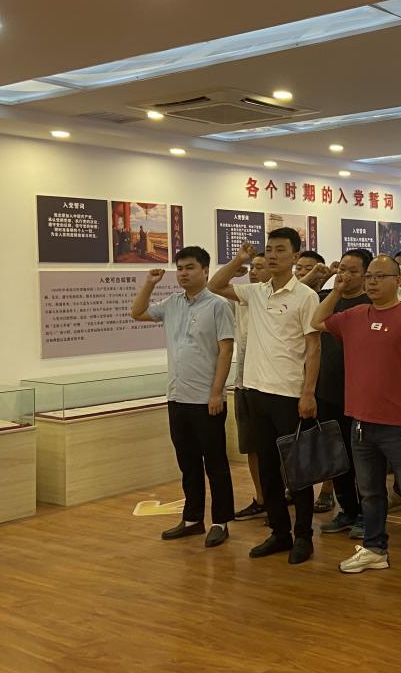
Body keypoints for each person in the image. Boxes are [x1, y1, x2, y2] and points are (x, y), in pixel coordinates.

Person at [314, 256, 401, 586]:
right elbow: (317, 320)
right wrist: (336, 290)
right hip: (360, 423)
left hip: (399, 424)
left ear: (397, 280)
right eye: (369, 276)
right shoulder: (354, 316)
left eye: (380, 276)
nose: (372, 282)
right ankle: (374, 548)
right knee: (369, 492)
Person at [208, 228, 321, 564]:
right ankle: (279, 532)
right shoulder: (255, 292)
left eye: (280, 250)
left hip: (289, 395)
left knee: (297, 472)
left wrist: (308, 392)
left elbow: (314, 348)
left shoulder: (305, 296)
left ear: (295, 256)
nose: (272, 255)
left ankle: (304, 536)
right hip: (255, 391)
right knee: (268, 470)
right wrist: (240, 259)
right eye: (269, 249)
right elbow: (215, 285)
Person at [130, 247, 235, 547]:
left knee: (215, 463)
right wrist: (149, 283)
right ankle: (192, 519)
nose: (183, 273)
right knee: (187, 463)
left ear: (205, 270)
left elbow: (226, 350)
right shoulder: (173, 303)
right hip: (177, 397)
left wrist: (217, 392)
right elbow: (137, 312)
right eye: (180, 268)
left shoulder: (218, 305)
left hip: (207, 399)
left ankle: (220, 521)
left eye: (190, 267)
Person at [310, 250, 371, 537]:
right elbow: (315, 323)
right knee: (336, 457)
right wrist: (334, 291)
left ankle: (368, 515)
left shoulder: (371, 304)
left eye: (353, 271)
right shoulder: (327, 299)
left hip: (361, 395)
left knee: (363, 459)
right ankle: (347, 510)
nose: (345, 275)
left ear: (366, 275)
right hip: (328, 391)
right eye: (342, 269)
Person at [232, 254, 269, 521]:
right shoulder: (242, 298)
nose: (253, 272)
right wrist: (237, 262)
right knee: (251, 446)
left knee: (277, 447)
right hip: (243, 383)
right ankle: (261, 497)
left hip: (271, 385)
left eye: (260, 267)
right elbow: (215, 285)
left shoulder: (279, 298)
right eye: (251, 267)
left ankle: (281, 495)